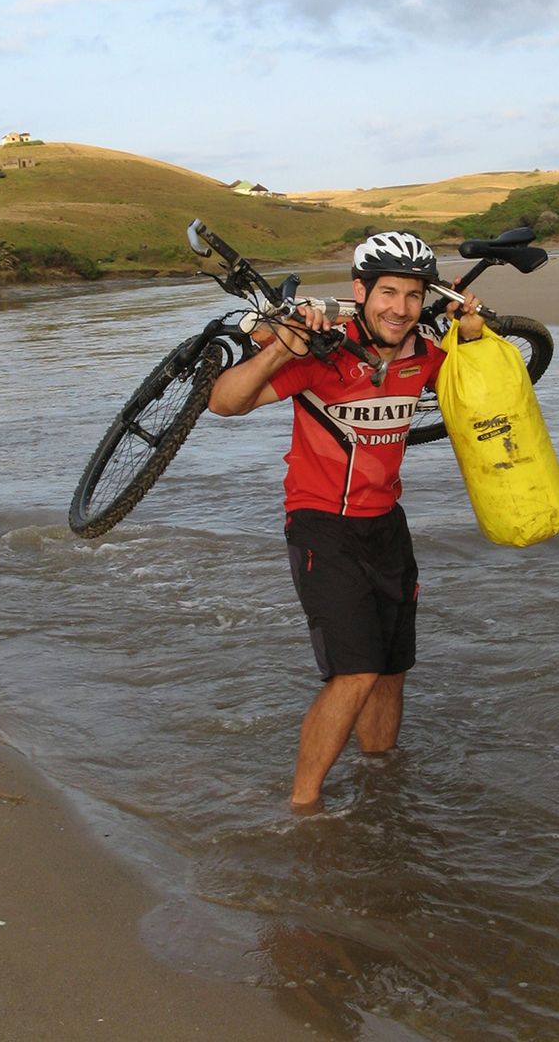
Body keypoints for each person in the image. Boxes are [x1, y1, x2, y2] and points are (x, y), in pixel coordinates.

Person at [208, 232, 484, 806]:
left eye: (413, 296)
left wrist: (473, 334)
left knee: (390, 669)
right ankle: (304, 808)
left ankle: (381, 785)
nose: (400, 309)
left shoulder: (424, 353)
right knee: (355, 672)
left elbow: (479, 390)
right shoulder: (324, 353)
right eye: (387, 293)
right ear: (360, 291)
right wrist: (282, 348)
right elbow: (225, 403)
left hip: (387, 524)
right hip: (322, 524)